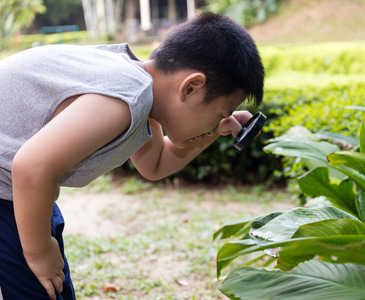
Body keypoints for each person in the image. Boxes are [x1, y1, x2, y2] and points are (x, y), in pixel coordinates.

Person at [0, 12, 264, 300]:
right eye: (219, 115)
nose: (216, 124)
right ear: (191, 86)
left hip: (22, 189)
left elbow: (155, 164)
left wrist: (211, 132)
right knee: (43, 284)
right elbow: (30, 167)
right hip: (13, 189)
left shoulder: (137, 87)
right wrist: (38, 252)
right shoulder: (126, 97)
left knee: (55, 285)